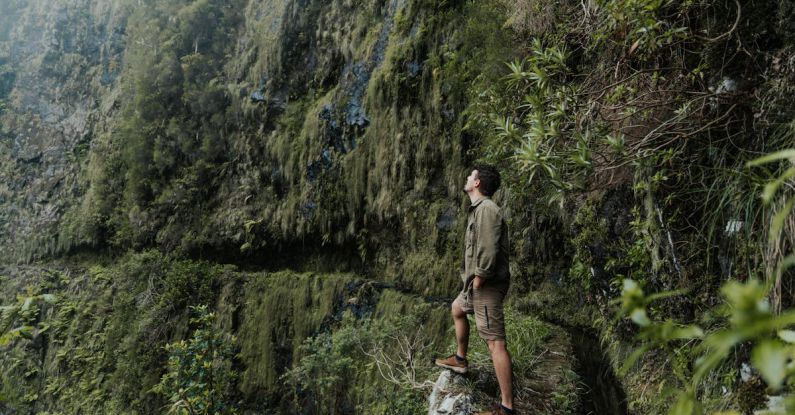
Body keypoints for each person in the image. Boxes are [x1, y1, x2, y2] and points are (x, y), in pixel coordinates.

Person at [435, 165, 515, 415]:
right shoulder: (477, 210)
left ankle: (507, 408)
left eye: (471, 176)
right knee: (457, 308)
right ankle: (460, 360)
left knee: (495, 344)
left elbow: (489, 248)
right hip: (474, 285)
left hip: (486, 285)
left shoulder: (488, 210)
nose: (467, 178)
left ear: (478, 183)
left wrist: (480, 278)